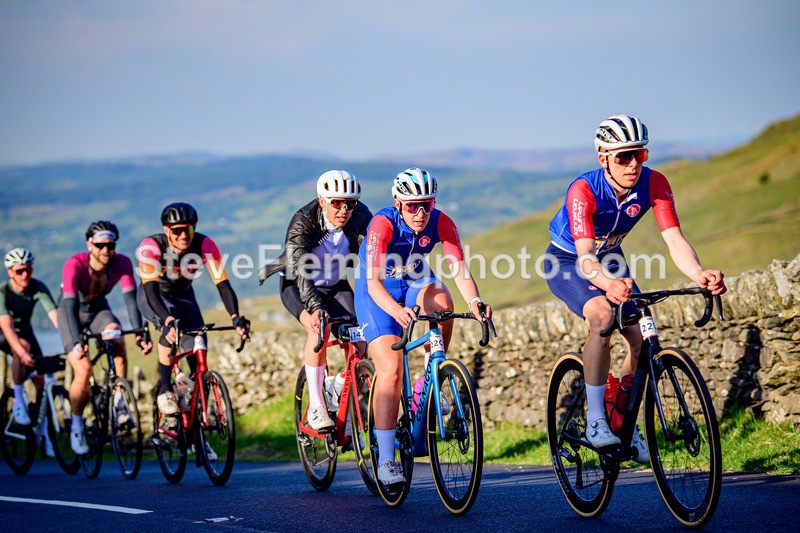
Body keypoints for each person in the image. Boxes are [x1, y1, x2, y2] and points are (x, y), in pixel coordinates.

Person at [544, 114, 727, 462]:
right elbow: (585, 258)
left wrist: (699, 273)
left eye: (639, 155)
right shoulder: (583, 190)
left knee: (642, 334)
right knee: (600, 315)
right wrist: (608, 286)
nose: (632, 164)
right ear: (604, 158)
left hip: (610, 256)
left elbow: (674, 240)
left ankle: (622, 413)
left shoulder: (654, 183)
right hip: (567, 261)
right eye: (622, 157)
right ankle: (596, 419)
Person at [354, 167, 492, 485]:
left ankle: (430, 378)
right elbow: (373, 283)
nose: (420, 212)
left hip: (415, 278)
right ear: (398, 202)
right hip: (378, 293)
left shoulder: (441, 221)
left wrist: (475, 302)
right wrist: (396, 310)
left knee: (444, 302)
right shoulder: (382, 224)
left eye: (426, 204)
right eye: (413, 205)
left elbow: (459, 269)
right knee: (389, 370)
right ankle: (387, 459)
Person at [259, 170, 372, 432]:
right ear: (322, 201)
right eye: (336, 203)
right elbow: (300, 271)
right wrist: (316, 309)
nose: (344, 209)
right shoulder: (302, 221)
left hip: (335, 284)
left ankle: (342, 385)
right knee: (318, 327)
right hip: (298, 285)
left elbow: (375, 254)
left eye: (350, 203)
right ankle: (316, 405)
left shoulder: (361, 215)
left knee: (360, 334)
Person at [136, 202, 250, 424]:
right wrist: (167, 321)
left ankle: (198, 431)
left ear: (194, 227)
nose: (182, 236)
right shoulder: (150, 246)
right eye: (176, 230)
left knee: (199, 357)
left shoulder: (204, 244)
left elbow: (223, 284)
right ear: (166, 230)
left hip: (186, 299)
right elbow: (150, 290)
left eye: (187, 229)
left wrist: (235, 317)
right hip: (155, 298)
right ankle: (165, 391)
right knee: (172, 326)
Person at [58, 221, 153, 454]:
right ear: (89, 245)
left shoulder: (122, 262)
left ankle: (119, 400)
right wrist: (78, 341)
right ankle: (77, 424)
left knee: (118, 339)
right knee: (83, 369)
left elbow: (131, 300)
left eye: (110, 245)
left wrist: (139, 332)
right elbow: (69, 306)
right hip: (71, 312)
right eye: (100, 245)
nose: (105, 251)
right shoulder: (74, 265)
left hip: (99, 310)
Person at [0, 248, 59, 451]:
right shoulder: (3, 292)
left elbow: (55, 315)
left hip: (26, 332)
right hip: (4, 334)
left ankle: (42, 432)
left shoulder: (37, 287)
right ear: (10, 272)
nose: (25, 275)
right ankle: (17, 399)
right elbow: (7, 328)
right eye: (19, 271)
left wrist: (72, 341)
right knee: (22, 348)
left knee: (41, 376)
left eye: (28, 270)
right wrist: (23, 354)